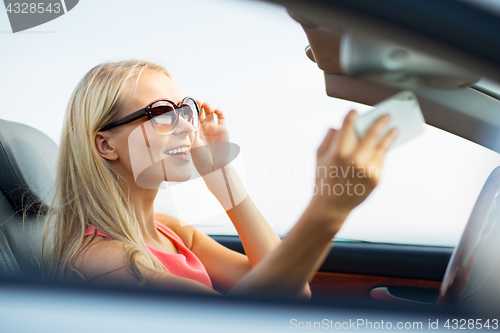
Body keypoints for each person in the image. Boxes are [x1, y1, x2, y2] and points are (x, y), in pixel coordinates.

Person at [42, 59, 397, 299]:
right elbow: (243, 319)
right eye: (162, 113)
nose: (185, 125)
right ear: (105, 145)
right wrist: (329, 208)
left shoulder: (170, 231)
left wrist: (221, 175)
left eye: (184, 109)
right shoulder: (103, 259)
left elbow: (293, 289)